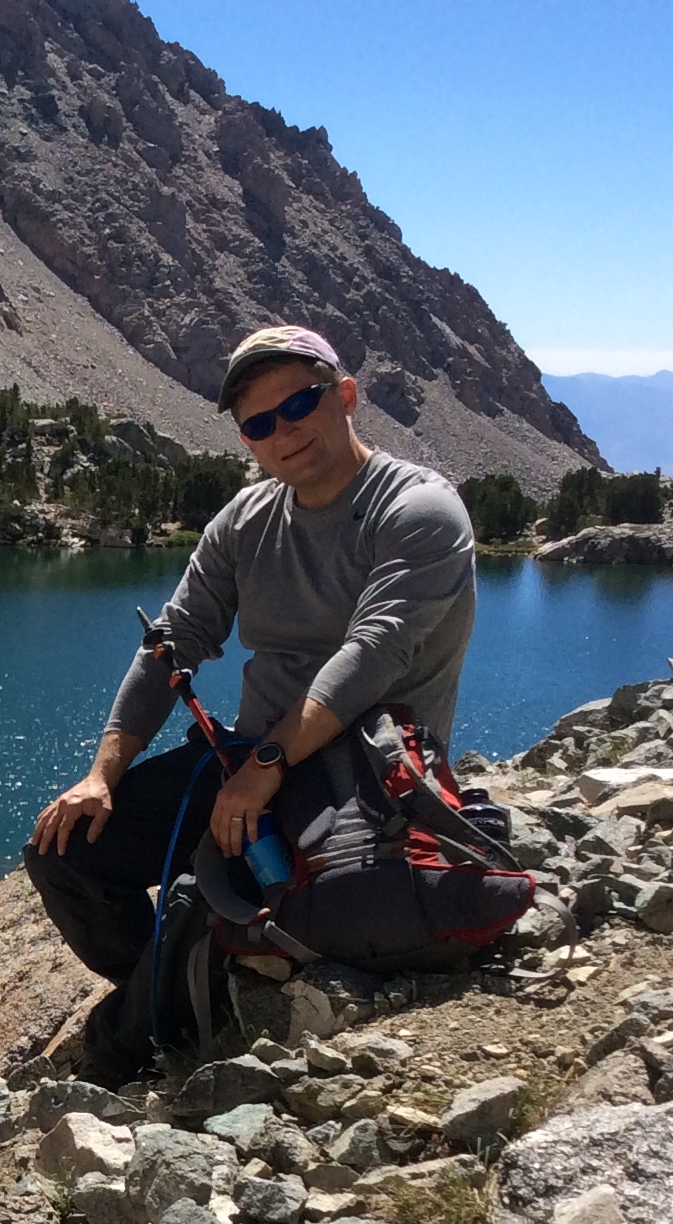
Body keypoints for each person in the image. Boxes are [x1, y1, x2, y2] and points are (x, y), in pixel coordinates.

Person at [24, 324, 477, 1085]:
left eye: (298, 403)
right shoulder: (246, 520)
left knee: (213, 899)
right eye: (258, 424)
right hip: (250, 759)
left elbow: (374, 653)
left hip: (364, 772)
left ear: (345, 395)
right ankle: (179, 987)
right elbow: (174, 640)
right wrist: (104, 772)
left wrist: (266, 764)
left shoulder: (420, 509)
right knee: (64, 850)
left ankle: (123, 1045)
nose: (282, 432)